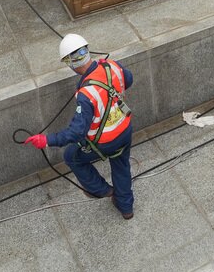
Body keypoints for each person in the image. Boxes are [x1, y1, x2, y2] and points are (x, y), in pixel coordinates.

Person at [23, 34, 135, 219]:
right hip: (124, 129)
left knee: (71, 156)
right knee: (121, 165)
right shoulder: (112, 65)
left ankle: (101, 190)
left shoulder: (86, 93)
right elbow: (128, 80)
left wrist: (47, 140)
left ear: (70, 63)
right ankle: (126, 208)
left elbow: (76, 132)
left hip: (104, 141)